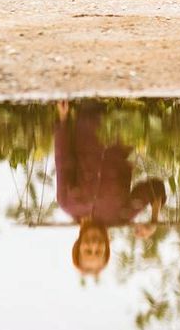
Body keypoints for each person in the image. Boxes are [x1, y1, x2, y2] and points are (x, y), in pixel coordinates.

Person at [55, 100, 166, 277]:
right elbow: (156, 188)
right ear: (107, 247)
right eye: (98, 251)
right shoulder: (122, 215)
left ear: (78, 244)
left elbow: (64, 159)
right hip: (126, 118)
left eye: (87, 251)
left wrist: (63, 119)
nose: (94, 246)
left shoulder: (67, 203)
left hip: (87, 117)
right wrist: (153, 220)